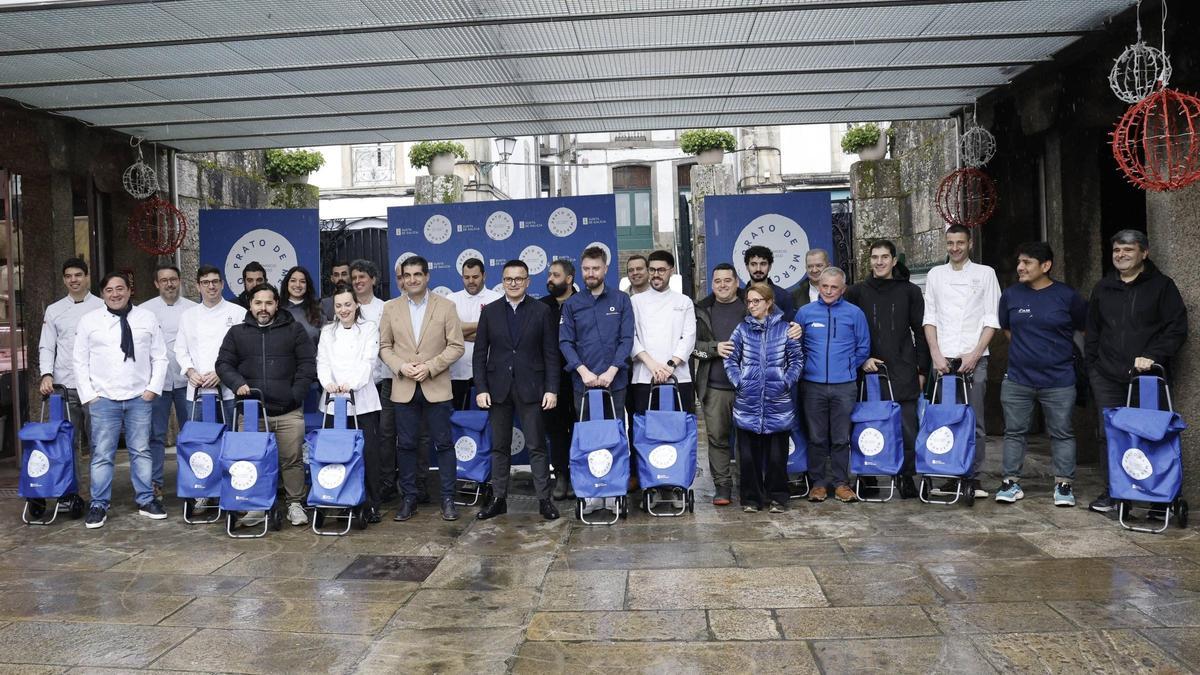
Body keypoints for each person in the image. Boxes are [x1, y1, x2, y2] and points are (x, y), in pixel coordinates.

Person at [1084, 229, 1189, 513]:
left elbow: (1176, 328)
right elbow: (1092, 330)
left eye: (1128, 250)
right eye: (1117, 250)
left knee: (1152, 433)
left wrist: (1153, 356)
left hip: (1148, 377)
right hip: (1106, 374)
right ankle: (1115, 493)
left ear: (1144, 253)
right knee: (1110, 435)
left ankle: (1159, 498)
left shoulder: (1162, 287)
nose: (1121, 255)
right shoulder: (1103, 287)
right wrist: (1092, 364)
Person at [215, 283, 317, 527]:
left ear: (276, 304)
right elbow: (223, 364)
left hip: (288, 411)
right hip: (251, 413)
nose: (263, 308)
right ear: (250, 305)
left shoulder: (294, 330)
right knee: (251, 461)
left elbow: (307, 365)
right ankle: (256, 506)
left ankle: (294, 504)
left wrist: (295, 394)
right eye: (258, 303)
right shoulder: (237, 333)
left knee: (292, 460)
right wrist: (237, 383)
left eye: (268, 303)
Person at [996, 242, 1088, 507]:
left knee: (1061, 432)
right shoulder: (1011, 295)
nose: (1020, 267)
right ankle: (1010, 482)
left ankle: (1064, 485)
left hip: (1059, 380)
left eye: (1027, 263)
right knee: (1014, 432)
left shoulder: (1067, 296)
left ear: (1045, 266)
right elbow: (1008, 331)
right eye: (1019, 262)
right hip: (1018, 379)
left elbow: (1083, 331)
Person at [73, 272, 167, 529]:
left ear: (129, 290)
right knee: (102, 454)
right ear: (102, 294)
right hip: (103, 398)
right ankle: (99, 504)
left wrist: (152, 389)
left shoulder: (147, 318)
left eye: (120, 288)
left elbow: (160, 357)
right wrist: (90, 396)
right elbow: (79, 361)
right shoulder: (89, 321)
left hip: (139, 397)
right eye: (109, 290)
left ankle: (147, 500)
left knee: (141, 451)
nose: (115, 294)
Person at [379, 255, 465, 522]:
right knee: (405, 445)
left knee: (443, 444)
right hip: (403, 385)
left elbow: (456, 346)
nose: (412, 279)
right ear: (401, 279)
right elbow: (384, 347)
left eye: (418, 274)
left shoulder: (446, 306)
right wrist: (401, 367)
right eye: (407, 275)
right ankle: (409, 498)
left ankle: (448, 499)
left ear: (427, 276)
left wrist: (430, 366)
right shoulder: (391, 308)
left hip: (435, 384)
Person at [473, 260, 560, 521]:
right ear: (502, 281)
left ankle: (545, 500)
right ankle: (499, 499)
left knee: (536, 447)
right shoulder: (489, 311)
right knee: (499, 447)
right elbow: (479, 355)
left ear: (527, 281)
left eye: (519, 279)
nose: (513, 283)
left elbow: (551, 354)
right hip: (497, 390)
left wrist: (552, 389)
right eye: (509, 279)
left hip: (532, 389)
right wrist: (481, 388)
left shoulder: (541, 311)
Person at [844, 240, 929, 499]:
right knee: (866, 425)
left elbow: (921, 332)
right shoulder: (856, 292)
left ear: (894, 261)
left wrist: (922, 369)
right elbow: (849, 332)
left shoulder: (910, 291)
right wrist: (862, 359)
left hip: (903, 368)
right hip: (868, 370)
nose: (879, 262)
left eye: (884, 257)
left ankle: (906, 477)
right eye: (874, 257)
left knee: (906, 427)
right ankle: (867, 476)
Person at [922, 224, 1001, 498]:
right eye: (950, 243)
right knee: (945, 418)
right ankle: (949, 472)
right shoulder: (935, 275)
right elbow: (929, 318)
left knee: (975, 420)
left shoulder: (985, 273)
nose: (955, 248)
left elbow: (992, 319)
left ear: (969, 244)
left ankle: (974, 476)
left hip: (974, 358)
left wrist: (975, 353)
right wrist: (935, 353)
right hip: (944, 360)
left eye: (960, 243)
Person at [725, 283, 803, 513]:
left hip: (778, 403)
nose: (751, 306)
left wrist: (785, 381)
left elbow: (797, 360)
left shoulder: (785, 329)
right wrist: (739, 381)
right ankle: (751, 499)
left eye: (756, 301)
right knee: (748, 457)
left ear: (769, 303)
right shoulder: (741, 330)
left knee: (778, 457)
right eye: (749, 302)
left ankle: (778, 497)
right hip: (747, 403)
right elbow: (730, 359)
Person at [797, 267, 871, 503]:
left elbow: (863, 347)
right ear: (819, 286)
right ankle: (818, 483)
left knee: (841, 437)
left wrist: (848, 367)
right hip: (812, 385)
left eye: (834, 287)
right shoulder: (805, 313)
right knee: (816, 437)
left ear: (843, 289)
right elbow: (795, 347)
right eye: (825, 286)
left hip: (844, 385)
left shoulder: (855, 313)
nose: (828, 291)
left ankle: (841, 483)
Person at [631, 250, 697, 496]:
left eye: (661, 269)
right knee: (648, 433)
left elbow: (688, 337)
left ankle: (676, 479)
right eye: (652, 270)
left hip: (678, 377)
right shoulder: (635, 302)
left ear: (671, 271)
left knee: (678, 432)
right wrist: (651, 365)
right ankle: (651, 481)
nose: (656, 274)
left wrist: (669, 365)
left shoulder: (684, 302)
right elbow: (631, 338)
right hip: (644, 377)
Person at [317, 283, 383, 523]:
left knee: (368, 454)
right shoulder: (327, 331)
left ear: (357, 304)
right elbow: (322, 362)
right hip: (333, 403)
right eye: (338, 305)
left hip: (362, 401)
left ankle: (371, 504)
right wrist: (329, 384)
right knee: (335, 453)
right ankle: (336, 499)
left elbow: (369, 362)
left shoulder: (369, 328)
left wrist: (351, 384)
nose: (343, 309)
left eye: (347, 304)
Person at [138, 263, 195, 498]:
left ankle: (193, 482)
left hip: (188, 382)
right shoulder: (144, 311)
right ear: (156, 284)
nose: (169, 284)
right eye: (164, 280)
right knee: (155, 435)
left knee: (192, 434)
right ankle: (155, 483)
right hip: (157, 385)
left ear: (180, 281)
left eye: (173, 279)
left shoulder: (193, 310)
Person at [38, 257, 103, 464]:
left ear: (87, 277)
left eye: (78, 275)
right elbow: (47, 345)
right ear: (64, 280)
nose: (73, 280)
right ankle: (70, 493)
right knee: (67, 442)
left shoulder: (102, 307)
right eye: (68, 276)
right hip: (65, 385)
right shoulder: (53, 310)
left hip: (97, 385)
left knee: (99, 442)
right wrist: (46, 374)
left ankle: (99, 494)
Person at [559, 245, 635, 422]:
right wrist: (583, 372)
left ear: (605, 269)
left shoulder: (621, 299)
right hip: (583, 382)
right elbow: (565, 342)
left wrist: (612, 371)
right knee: (588, 437)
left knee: (614, 434)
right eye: (586, 269)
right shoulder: (572, 303)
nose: (590, 273)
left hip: (615, 381)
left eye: (596, 268)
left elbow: (627, 339)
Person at [349, 259, 402, 503]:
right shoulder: (346, 307)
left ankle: (386, 482)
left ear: (373, 280)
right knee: (361, 436)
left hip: (384, 381)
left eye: (362, 277)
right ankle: (360, 481)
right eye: (354, 278)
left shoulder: (387, 307)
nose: (358, 281)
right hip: (354, 387)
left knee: (385, 435)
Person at [693, 263, 746, 506]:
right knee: (717, 439)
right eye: (717, 281)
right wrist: (714, 349)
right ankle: (722, 487)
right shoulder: (701, 309)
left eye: (727, 280)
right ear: (712, 284)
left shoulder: (752, 304)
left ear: (737, 282)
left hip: (748, 386)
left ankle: (748, 484)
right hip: (714, 387)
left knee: (749, 437)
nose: (722, 285)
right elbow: (691, 348)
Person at [176, 265, 245, 429]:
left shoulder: (238, 313)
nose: (211, 286)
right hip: (197, 391)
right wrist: (190, 372)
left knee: (229, 443)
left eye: (215, 281)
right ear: (198, 286)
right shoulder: (188, 316)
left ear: (222, 284)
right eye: (205, 282)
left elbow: (244, 352)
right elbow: (180, 349)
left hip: (229, 391)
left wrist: (222, 373)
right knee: (200, 446)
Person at [542, 259, 579, 500]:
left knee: (579, 427)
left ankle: (578, 474)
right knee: (555, 430)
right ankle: (561, 476)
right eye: (549, 275)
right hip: (551, 380)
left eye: (555, 275)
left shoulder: (584, 302)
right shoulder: (541, 307)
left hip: (580, 376)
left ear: (569, 278)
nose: (549, 279)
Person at [448, 258, 501, 409]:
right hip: (456, 373)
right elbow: (449, 331)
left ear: (484, 276)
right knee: (458, 423)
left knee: (489, 423)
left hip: (489, 374)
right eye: (466, 277)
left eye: (475, 277)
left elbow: (497, 334)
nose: (471, 281)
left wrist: (460, 331)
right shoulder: (451, 299)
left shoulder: (496, 299)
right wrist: (484, 324)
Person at [744, 245, 794, 319]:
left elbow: (789, 327)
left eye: (763, 264)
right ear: (747, 267)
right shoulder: (740, 296)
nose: (758, 269)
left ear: (770, 267)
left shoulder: (783, 296)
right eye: (753, 264)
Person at [282, 265, 325, 347]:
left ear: (307, 285)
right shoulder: (277, 310)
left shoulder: (317, 311)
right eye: (293, 280)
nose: (298, 285)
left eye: (302, 281)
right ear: (286, 283)